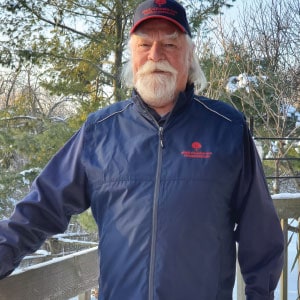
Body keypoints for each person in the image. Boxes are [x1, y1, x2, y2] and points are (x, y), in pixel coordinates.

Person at [0, 0, 284, 299]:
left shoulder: (227, 128)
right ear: (131, 56)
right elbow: (40, 208)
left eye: (170, 45)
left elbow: (261, 233)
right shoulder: (100, 130)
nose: (155, 55)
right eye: (144, 44)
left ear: (190, 56)